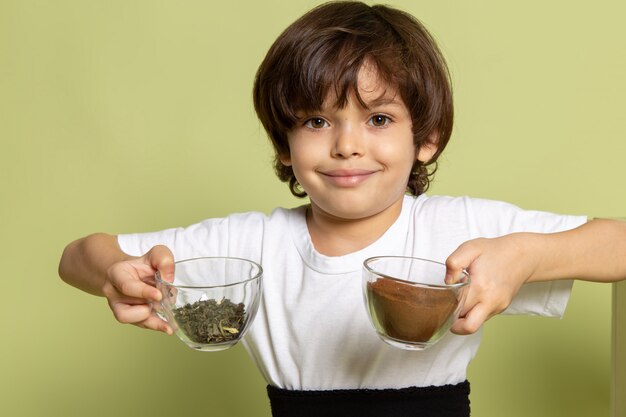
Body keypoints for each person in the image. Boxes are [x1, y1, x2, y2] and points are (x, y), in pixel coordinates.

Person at [58, 2, 626, 416]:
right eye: (315, 121)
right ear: (284, 142)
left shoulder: (460, 230)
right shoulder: (255, 245)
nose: (346, 145)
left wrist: (527, 255)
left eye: (378, 119)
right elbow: (76, 255)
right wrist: (113, 270)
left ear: (425, 137)